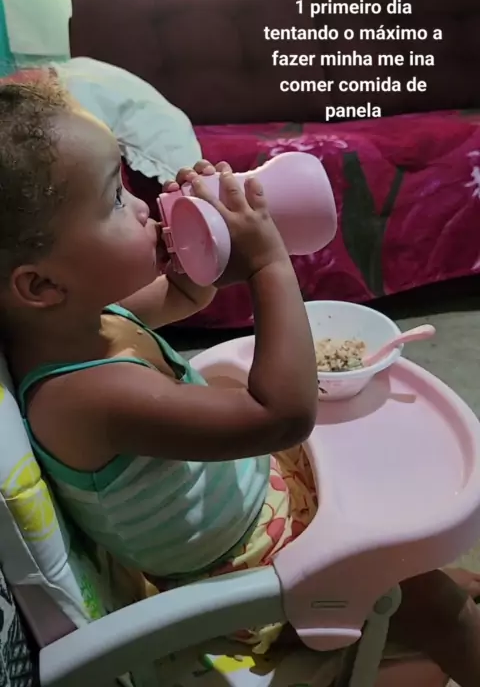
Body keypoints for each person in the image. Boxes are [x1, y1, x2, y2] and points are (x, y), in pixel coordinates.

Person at [1, 78, 480, 686]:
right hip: (256, 570)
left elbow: (185, 294)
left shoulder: (83, 323)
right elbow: (281, 415)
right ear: (41, 285)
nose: (142, 206)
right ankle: (438, 613)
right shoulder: (84, 395)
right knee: (439, 611)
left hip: (268, 507)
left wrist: (200, 240)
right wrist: (267, 262)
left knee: (416, 568)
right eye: (115, 200)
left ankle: (427, 591)